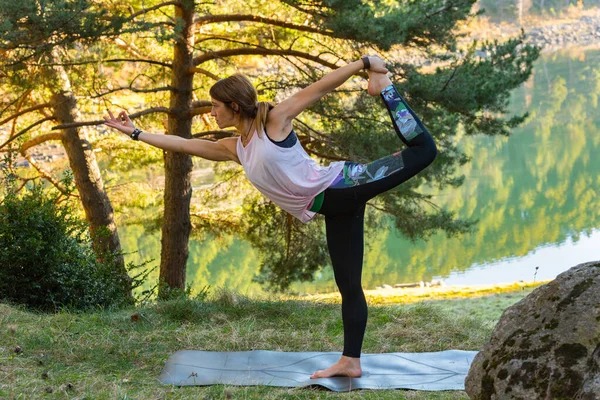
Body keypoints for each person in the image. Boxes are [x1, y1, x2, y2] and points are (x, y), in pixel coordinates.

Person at [103, 55, 437, 379]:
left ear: (234, 106)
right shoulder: (234, 147)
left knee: (425, 150)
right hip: (334, 208)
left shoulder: (275, 121)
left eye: (216, 106)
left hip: (344, 186)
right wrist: (135, 132)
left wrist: (364, 64)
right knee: (349, 286)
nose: (211, 112)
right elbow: (181, 144)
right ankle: (351, 361)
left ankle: (385, 87)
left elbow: (320, 87)